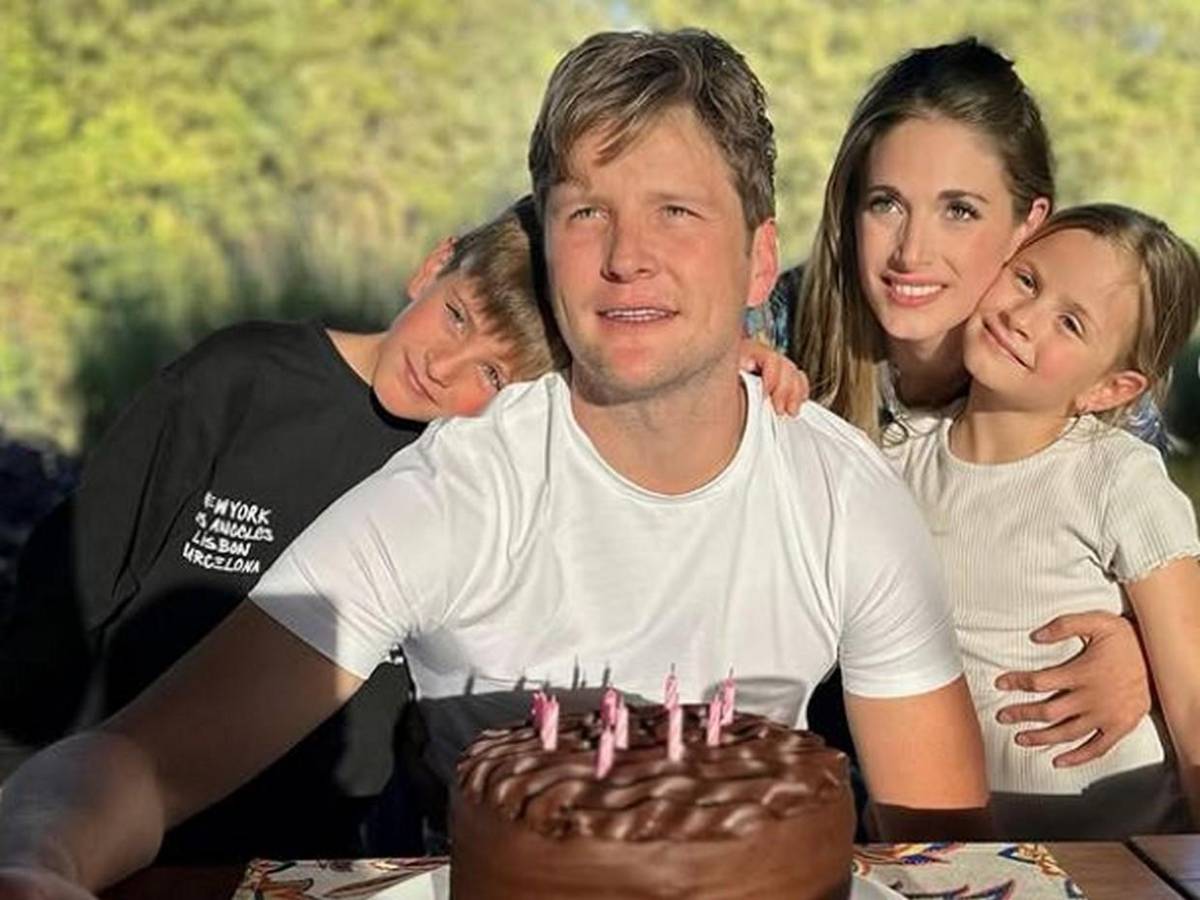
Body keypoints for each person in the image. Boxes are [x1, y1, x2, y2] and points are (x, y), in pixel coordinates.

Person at [0, 29, 987, 899]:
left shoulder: (842, 497)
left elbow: (945, 850)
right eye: (586, 212)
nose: (626, 256)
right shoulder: (460, 488)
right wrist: (41, 857)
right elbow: (145, 763)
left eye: (676, 212)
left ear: (759, 261)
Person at [0, 196, 800, 862]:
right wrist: (32, 797)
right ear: (433, 265)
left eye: (492, 374)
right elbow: (70, 584)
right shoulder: (239, 380)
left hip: (323, 855)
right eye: (455, 316)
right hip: (119, 825)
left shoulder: (475, 470)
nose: (443, 368)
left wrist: (718, 367)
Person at [763, 37, 1153, 771]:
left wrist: (1145, 652)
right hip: (812, 758)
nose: (911, 252)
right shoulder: (782, 327)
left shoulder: (1082, 382)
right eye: (886, 204)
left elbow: (1160, 557)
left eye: (960, 210)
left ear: (1029, 223)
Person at [883, 203, 1200, 837]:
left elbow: (1193, 697)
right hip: (945, 856)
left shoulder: (1117, 477)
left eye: (1070, 323)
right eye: (1026, 280)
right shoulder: (895, 459)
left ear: (1109, 390)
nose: (1022, 317)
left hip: (1121, 856)